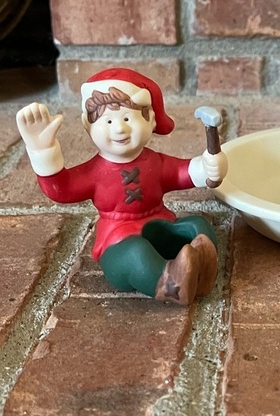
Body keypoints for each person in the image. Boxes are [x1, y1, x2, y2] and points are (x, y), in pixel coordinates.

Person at [16, 68, 228, 305]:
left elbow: (181, 173)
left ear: (150, 120)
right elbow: (62, 189)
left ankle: (202, 269)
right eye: (108, 121)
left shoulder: (156, 162)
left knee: (197, 225)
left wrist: (207, 167)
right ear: (88, 126)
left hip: (159, 224)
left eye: (127, 118)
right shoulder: (94, 172)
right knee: (137, 254)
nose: (119, 129)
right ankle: (171, 285)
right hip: (118, 243)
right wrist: (43, 151)